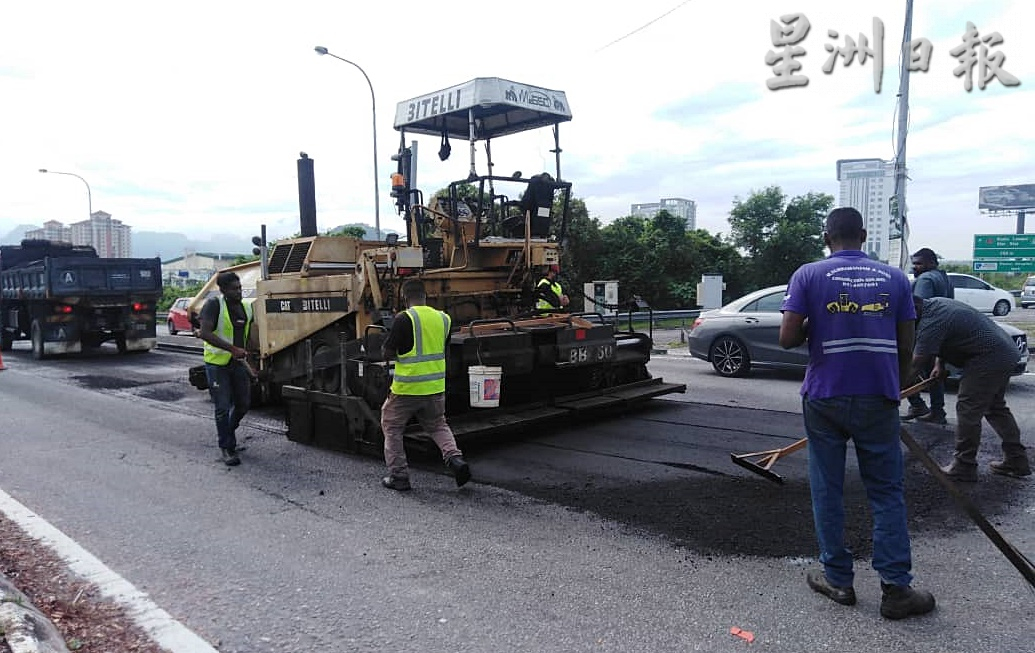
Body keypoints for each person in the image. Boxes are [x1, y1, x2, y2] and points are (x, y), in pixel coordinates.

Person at [779, 207, 935, 620]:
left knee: (827, 488)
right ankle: (897, 590)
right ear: (864, 235)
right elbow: (907, 344)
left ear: (826, 237)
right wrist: (896, 390)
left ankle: (838, 578)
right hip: (877, 397)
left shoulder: (808, 275)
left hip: (825, 396)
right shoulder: (897, 279)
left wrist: (823, 325)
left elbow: (787, 337)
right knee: (886, 491)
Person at [911, 296, 1031, 481]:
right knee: (995, 407)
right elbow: (943, 340)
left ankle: (964, 465)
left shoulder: (931, 321)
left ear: (914, 308)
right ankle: (1016, 460)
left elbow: (917, 362)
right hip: (1005, 352)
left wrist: (893, 388)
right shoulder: (936, 305)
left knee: (968, 408)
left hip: (989, 357)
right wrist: (940, 365)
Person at [380, 279, 471, 491]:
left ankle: (399, 476)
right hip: (435, 387)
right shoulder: (444, 319)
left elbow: (388, 352)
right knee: (438, 425)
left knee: (391, 425)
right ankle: (455, 460)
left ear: (404, 298)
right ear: (425, 297)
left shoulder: (404, 318)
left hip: (407, 389)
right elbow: (442, 349)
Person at [198, 271, 258, 467]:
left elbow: (247, 337)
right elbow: (205, 333)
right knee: (222, 407)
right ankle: (226, 447)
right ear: (223, 290)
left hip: (238, 364)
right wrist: (232, 349)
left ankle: (228, 434)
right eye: (234, 289)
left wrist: (253, 363)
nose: (238, 292)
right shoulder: (213, 305)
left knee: (243, 404)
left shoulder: (247, 308)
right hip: (217, 364)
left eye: (240, 288)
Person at [902, 248, 954, 424]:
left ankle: (917, 404)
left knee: (906, 367)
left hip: (924, 332)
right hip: (941, 332)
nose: (915, 267)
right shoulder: (944, 278)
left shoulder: (925, 279)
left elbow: (918, 307)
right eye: (914, 263)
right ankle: (937, 410)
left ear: (931, 263)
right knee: (934, 373)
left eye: (919, 263)